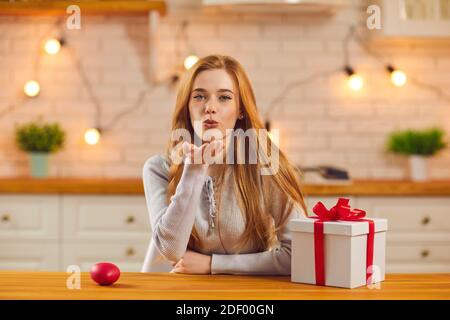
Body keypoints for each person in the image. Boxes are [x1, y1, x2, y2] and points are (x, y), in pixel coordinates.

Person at [141, 54, 307, 275]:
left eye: (224, 97)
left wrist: (213, 265)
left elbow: (299, 256)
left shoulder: (265, 165)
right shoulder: (158, 168)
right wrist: (194, 169)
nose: (210, 107)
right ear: (187, 107)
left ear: (240, 110)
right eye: (199, 97)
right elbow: (170, 250)